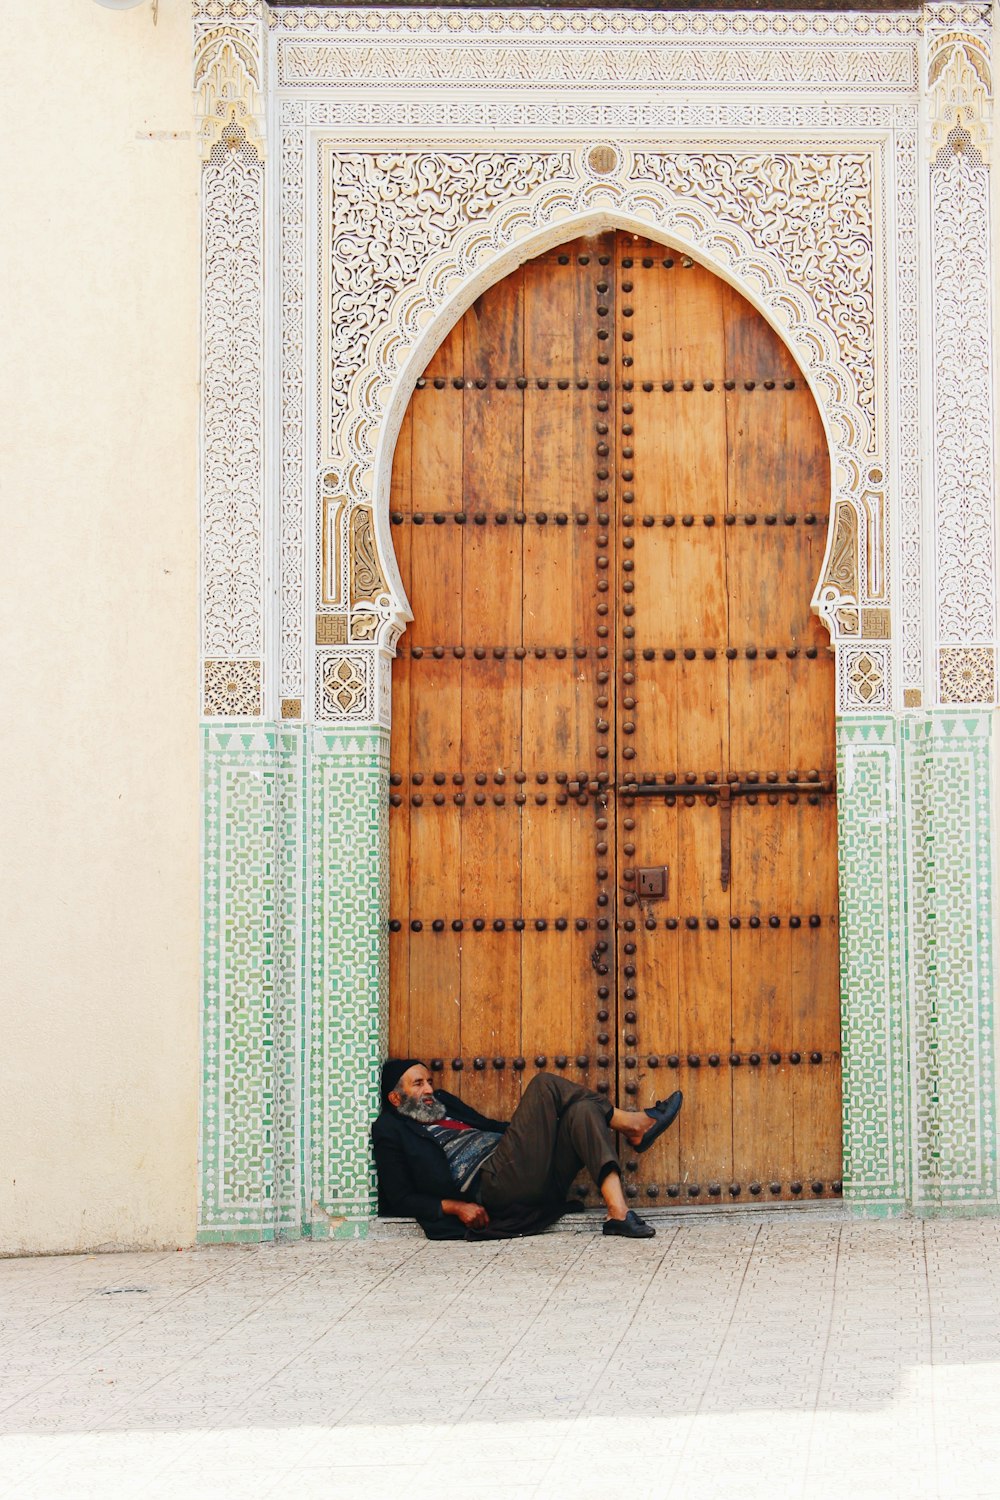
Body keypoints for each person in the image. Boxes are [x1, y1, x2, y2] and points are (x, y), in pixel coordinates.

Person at [372, 1058, 683, 1240]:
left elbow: (491, 1125)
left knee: (582, 1113)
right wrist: (455, 1207)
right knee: (545, 1084)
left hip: (517, 1168)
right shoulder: (391, 1129)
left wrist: (542, 1127)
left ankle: (618, 1212)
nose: (429, 1089)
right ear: (396, 1098)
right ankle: (633, 1124)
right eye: (418, 1084)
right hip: (492, 1184)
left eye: (428, 1081)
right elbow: (400, 1198)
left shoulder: (443, 1104)